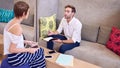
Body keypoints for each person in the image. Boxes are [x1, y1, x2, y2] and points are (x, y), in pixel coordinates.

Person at [3, 1, 46, 68]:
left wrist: (26, 42)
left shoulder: (11, 22)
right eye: (28, 12)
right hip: (16, 59)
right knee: (40, 51)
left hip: (11, 56)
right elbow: (12, 49)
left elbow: (12, 40)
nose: (28, 13)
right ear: (24, 13)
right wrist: (29, 50)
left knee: (35, 50)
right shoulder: (18, 28)